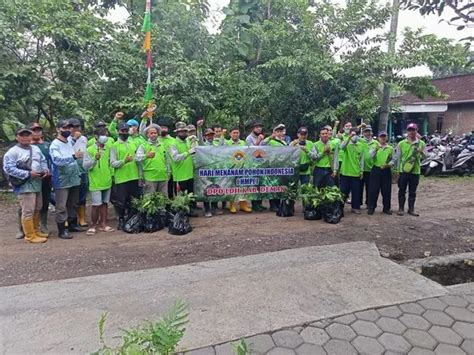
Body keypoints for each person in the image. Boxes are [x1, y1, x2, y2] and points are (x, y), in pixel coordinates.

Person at [3, 127, 49, 243]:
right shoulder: (12, 152)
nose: (25, 137)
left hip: (37, 181)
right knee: (28, 210)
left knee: (38, 207)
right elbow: (8, 168)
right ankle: (29, 235)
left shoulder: (35, 149)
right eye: (22, 135)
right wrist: (27, 173)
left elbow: (43, 160)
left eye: (27, 135)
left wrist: (45, 169)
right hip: (24, 184)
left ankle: (35, 230)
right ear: (17, 137)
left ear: (31, 136)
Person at [50, 119, 83, 239]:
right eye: (65, 128)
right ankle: (61, 229)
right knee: (61, 205)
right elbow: (57, 160)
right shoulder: (54, 145)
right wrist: (74, 156)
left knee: (73, 203)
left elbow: (73, 142)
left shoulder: (69, 141)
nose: (68, 130)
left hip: (73, 177)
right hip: (62, 179)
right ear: (58, 129)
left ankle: (72, 224)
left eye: (69, 128)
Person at [83, 128, 115, 235]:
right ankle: (93, 225)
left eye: (106, 134)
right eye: (102, 134)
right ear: (96, 136)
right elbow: (86, 166)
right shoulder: (89, 150)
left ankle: (104, 224)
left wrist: (111, 175)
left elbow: (111, 163)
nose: (104, 136)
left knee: (105, 203)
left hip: (107, 180)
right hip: (95, 181)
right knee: (96, 204)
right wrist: (94, 160)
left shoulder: (109, 148)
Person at [110, 122, 141, 230]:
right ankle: (121, 219)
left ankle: (132, 219)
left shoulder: (133, 143)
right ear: (118, 131)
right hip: (122, 178)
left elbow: (138, 160)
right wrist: (124, 161)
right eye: (122, 131)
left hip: (134, 176)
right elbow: (112, 163)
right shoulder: (114, 146)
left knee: (134, 200)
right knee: (121, 201)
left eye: (126, 131)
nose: (124, 133)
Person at [393, 123, 426, 216]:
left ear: (417, 131)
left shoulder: (421, 143)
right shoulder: (401, 143)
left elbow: (426, 157)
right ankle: (401, 208)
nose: (411, 132)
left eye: (413, 130)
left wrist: (421, 152)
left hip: (415, 171)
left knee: (413, 191)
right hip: (403, 171)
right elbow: (397, 158)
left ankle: (411, 209)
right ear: (407, 131)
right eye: (410, 130)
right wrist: (397, 171)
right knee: (402, 190)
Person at [169, 122, 198, 216]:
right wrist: (188, 152)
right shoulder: (173, 143)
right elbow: (175, 158)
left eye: (185, 131)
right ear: (177, 133)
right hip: (180, 175)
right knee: (180, 197)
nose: (183, 133)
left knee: (190, 194)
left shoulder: (187, 141)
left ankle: (190, 211)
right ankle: (181, 213)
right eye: (181, 132)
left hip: (189, 173)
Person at [30, 122, 52, 236]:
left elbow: (51, 160)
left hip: (46, 178)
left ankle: (42, 224)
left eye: (38, 130)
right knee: (27, 204)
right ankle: (23, 228)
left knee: (44, 202)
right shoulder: (25, 145)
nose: (37, 132)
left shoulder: (47, 145)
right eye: (34, 130)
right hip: (29, 179)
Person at [136, 124, 169, 195]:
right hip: (150, 177)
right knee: (150, 199)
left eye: (155, 133)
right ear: (147, 135)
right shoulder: (143, 145)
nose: (153, 134)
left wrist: (168, 171)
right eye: (151, 133)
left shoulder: (162, 145)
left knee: (163, 198)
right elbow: (137, 157)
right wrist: (146, 155)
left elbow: (167, 160)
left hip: (163, 176)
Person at [337, 128, 364, 214]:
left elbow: (362, 159)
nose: (354, 136)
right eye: (353, 134)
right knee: (343, 191)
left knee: (356, 192)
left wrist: (361, 171)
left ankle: (355, 207)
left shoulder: (360, 145)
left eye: (356, 134)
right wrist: (349, 137)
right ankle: (340, 207)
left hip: (356, 172)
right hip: (345, 172)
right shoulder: (347, 144)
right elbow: (341, 147)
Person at [225, 127, 252, 214]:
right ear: (230, 134)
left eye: (237, 133)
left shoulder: (243, 143)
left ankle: (243, 204)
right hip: (231, 168)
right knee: (232, 187)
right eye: (234, 133)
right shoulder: (226, 143)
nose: (236, 134)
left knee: (243, 186)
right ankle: (232, 205)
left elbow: (249, 152)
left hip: (242, 168)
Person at [68, 118, 89, 227]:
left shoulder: (84, 139)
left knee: (82, 194)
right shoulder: (66, 139)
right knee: (71, 195)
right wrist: (74, 139)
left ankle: (82, 218)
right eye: (73, 127)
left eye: (78, 127)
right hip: (71, 171)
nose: (76, 129)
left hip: (83, 169)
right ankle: (70, 218)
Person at [262, 124, 287, 212]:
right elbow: (262, 144)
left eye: (281, 132)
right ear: (274, 132)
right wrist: (270, 137)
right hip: (272, 166)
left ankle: (278, 203)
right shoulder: (271, 141)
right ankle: (273, 205)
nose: (279, 133)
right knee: (273, 186)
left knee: (280, 186)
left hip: (282, 166)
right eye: (277, 132)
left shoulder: (284, 142)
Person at [368, 131, 394, 215]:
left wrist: (388, 165)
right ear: (378, 138)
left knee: (386, 190)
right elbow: (370, 156)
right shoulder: (374, 147)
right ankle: (371, 207)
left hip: (386, 170)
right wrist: (376, 149)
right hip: (376, 169)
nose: (383, 138)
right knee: (373, 190)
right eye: (381, 137)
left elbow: (394, 159)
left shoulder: (390, 148)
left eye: (384, 137)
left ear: (386, 138)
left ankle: (386, 208)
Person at [246, 120, 267, 211]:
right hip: (252, 165)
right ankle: (254, 204)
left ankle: (260, 203)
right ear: (253, 128)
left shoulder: (262, 137)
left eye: (260, 127)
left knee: (261, 184)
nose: (259, 128)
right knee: (254, 184)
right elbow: (251, 151)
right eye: (257, 127)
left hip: (261, 164)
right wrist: (258, 141)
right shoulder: (249, 138)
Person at [157, 118, 176, 199]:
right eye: (161, 127)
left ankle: (170, 208)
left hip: (171, 170)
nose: (163, 129)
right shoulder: (155, 139)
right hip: (158, 170)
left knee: (170, 190)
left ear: (168, 129)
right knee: (158, 191)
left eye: (165, 127)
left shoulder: (173, 141)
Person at [360, 125, 378, 208]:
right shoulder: (360, 142)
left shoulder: (376, 143)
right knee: (359, 188)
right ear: (363, 133)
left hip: (371, 169)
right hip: (361, 169)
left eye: (369, 131)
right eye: (366, 131)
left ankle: (369, 204)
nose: (367, 133)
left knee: (370, 188)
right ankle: (358, 204)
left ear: (372, 132)